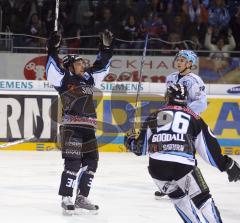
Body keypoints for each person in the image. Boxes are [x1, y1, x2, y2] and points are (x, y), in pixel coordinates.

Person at [125, 83, 240, 223]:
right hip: (183, 166)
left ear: (168, 97)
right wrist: (226, 165)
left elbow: (140, 149)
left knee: (178, 199)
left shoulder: (155, 116)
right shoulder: (194, 118)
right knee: (203, 199)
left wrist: (130, 140)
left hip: (157, 169)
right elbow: (209, 151)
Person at [45, 29, 113, 215]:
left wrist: (106, 48)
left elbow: (102, 66)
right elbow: (51, 68)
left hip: (88, 129)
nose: (83, 64)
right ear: (69, 66)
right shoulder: (64, 79)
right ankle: (66, 197)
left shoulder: (89, 79)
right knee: (73, 163)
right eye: (78, 62)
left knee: (92, 162)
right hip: (71, 128)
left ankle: (82, 197)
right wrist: (53, 48)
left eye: (83, 62)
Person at [155, 49, 208, 198]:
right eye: (178, 59)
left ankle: (192, 185)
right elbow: (167, 99)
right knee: (166, 148)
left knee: (187, 152)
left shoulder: (194, 80)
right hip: (169, 118)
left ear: (190, 63)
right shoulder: (170, 77)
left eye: (182, 60)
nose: (178, 62)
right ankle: (171, 184)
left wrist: (183, 113)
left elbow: (201, 103)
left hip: (185, 121)